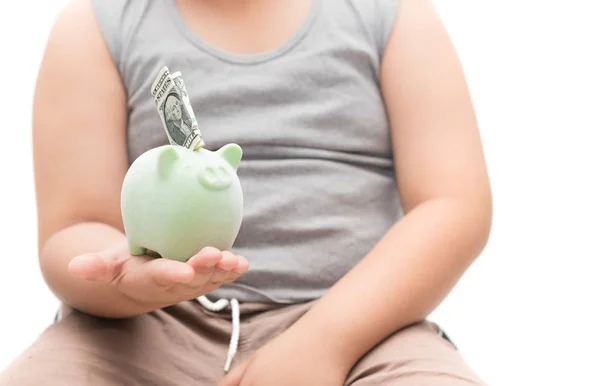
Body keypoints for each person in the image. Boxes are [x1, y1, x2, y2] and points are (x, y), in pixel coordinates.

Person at [0, 0, 493, 384]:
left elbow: (452, 205)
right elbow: (72, 227)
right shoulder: (95, 25)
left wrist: (325, 342)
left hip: (362, 327)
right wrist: (126, 281)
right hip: (139, 329)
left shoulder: (390, 15)